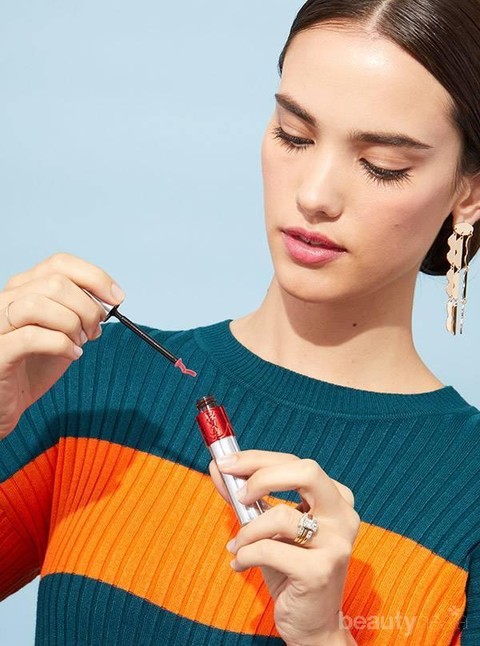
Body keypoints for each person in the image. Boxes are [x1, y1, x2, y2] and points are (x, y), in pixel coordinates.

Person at [1, 0, 479, 643]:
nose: (314, 194)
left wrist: (324, 635)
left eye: (382, 165)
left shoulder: (467, 495)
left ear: (468, 193)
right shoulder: (90, 384)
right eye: (294, 135)